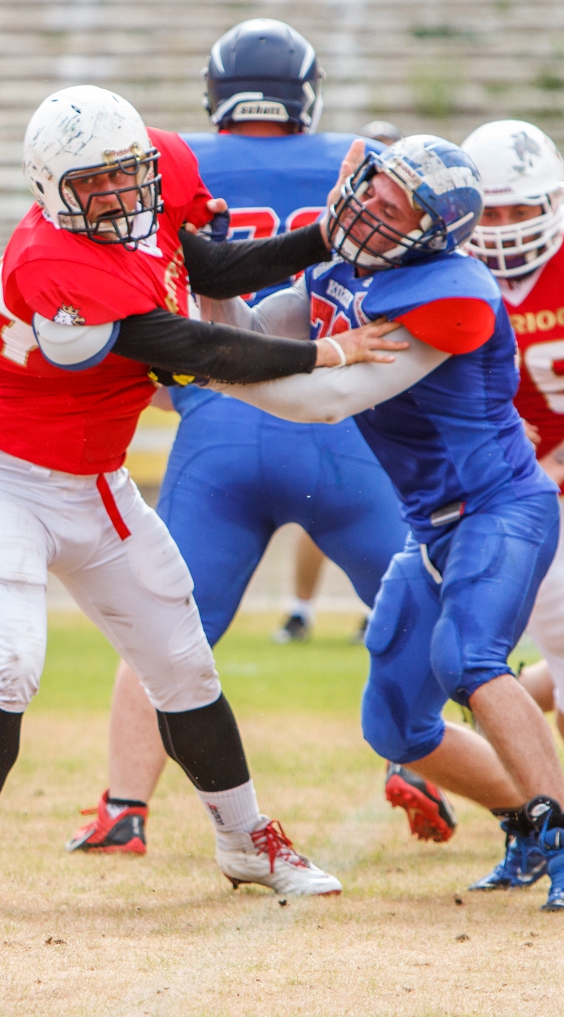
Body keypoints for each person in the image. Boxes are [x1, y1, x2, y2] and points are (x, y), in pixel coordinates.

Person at [0, 84, 407, 909]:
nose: (118, 193)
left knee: (183, 664)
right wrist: (327, 353)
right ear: (50, 188)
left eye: (125, 173)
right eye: (93, 183)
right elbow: (196, 345)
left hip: (97, 480)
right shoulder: (50, 260)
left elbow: (209, 266)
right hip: (4, 475)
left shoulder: (158, 179)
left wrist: (324, 235)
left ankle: (246, 837)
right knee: (10, 663)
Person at [63, 20, 420, 857]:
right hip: (339, 412)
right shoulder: (362, 160)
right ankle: (430, 761)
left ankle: (124, 808)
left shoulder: (169, 163)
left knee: (162, 626)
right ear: (308, 95)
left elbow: (118, 288)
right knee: (421, 606)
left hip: (221, 418)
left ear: (215, 95)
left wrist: (163, 381)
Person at [192, 134, 564, 910]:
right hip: (432, 526)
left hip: (499, 506)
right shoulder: (343, 268)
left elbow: (323, 400)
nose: (367, 211)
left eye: (392, 210)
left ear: (430, 235)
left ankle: (559, 830)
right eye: (371, 191)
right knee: (395, 725)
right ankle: (524, 819)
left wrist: (211, 368)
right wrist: (212, 284)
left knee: (469, 657)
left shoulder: (449, 292)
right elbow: (252, 339)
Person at [453, 120, 564, 889]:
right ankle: (532, 821)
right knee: (415, 704)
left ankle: (549, 831)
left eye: (519, 209)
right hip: (497, 501)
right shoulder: (448, 273)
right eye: (489, 211)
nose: (504, 227)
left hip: (542, 489)